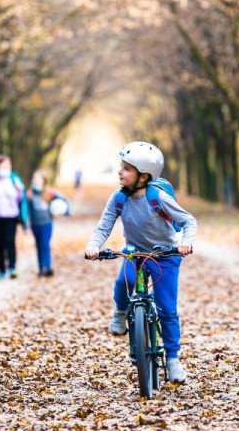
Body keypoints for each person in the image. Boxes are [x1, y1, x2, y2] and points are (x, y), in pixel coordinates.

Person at [84, 141, 196, 384]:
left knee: (167, 308)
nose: (120, 172)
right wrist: (94, 246)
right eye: (121, 167)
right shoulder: (118, 198)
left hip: (165, 254)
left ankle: (173, 359)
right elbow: (103, 227)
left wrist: (185, 243)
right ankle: (121, 312)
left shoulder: (158, 197)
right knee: (124, 280)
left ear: (143, 175)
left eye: (126, 168)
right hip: (135, 252)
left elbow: (188, 221)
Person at [27, 169, 70, 277]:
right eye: (35, 179)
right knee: (39, 246)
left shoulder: (49, 193)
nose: (36, 181)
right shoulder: (29, 194)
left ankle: (47, 267)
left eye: (39, 179)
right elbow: (26, 210)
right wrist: (25, 225)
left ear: (44, 181)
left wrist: (67, 212)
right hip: (35, 225)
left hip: (47, 224)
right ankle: (41, 268)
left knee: (45, 245)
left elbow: (64, 199)